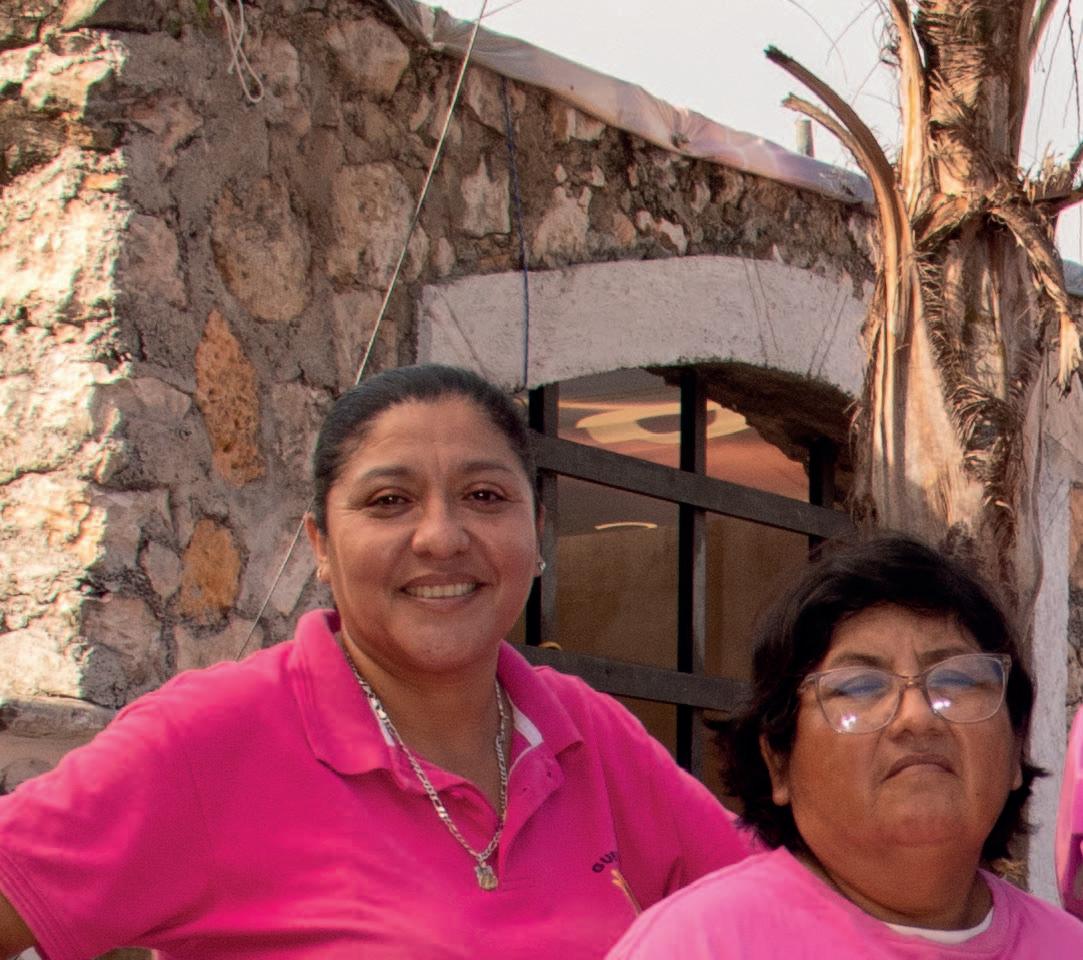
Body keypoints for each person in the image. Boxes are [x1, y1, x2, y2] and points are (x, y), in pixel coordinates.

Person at [0, 363, 752, 959]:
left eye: (485, 495)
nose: (441, 537)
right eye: (390, 501)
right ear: (321, 545)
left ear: (538, 534)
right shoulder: (210, 737)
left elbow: (779, 905)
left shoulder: (583, 733)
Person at [608, 536, 1083, 958]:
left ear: (1016, 748)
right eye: (860, 687)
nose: (916, 717)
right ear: (778, 763)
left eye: (957, 680)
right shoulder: (698, 944)